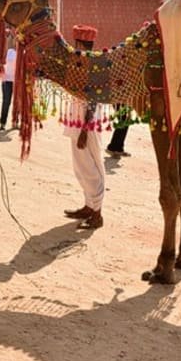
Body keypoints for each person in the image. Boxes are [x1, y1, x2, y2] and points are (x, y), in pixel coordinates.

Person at [63, 25, 105, 230]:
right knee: (80, 166)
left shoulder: (94, 67)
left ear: (80, 44)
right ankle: (89, 206)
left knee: (90, 166)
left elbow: (94, 100)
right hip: (77, 121)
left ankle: (97, 213)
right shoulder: (81, 63)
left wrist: (85, 129)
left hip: (86, 124)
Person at [0, 31, 17, 130]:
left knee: (17, 103)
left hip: (17, 81)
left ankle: (15, 122)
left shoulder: (21, 53)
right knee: (6, 102)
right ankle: (3, 123)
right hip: (7, 81)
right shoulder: (9, 52)